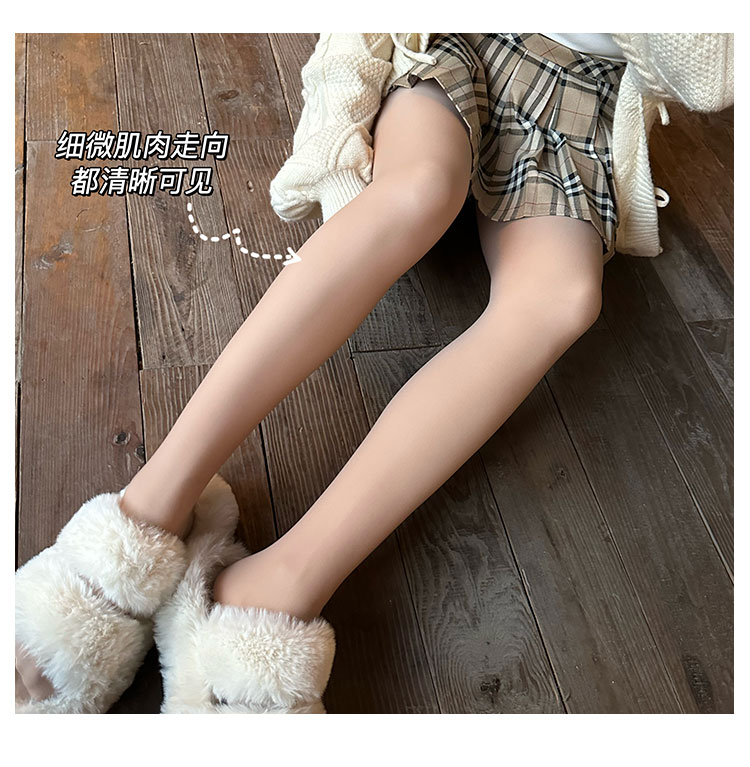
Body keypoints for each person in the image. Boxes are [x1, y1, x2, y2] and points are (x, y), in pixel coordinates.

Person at [15, 32, 733, 714]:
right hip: (459, 41)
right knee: (416, 190)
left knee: (562, 300)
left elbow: (710, 73)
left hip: (583, 92)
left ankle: (273, 588)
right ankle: (146, 511)